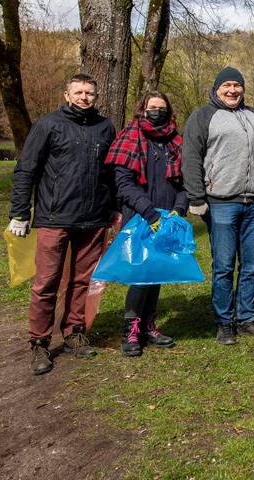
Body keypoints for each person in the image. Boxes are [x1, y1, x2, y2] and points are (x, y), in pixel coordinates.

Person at [8, 73, 117, 375]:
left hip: (94, 219)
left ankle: (73, 332)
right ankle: (40, 342)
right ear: (67, 95)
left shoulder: (105, 127)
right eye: (79, 92)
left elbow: (111, 174)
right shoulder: (48, 125)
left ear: (96, 97)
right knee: (46, 283)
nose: (84, 97)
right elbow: (26, 169)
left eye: (90, 93)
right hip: (55, 217)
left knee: (82, 281)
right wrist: (19, 212)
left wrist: (114, 209)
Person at [183, 67, 254, 345]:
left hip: (253, 204)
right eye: (227, 85)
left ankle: (247, 316)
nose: (232, 90)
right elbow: (190, 158)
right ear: (216, 88)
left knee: (252, 265)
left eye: (237, 85)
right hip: (221, 203)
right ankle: (224, 321)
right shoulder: (202, 117)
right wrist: (196, 197)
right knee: (223, 265)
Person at [104, 91, 187, 357]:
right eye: (153, 107)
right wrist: (149, 212)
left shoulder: (175, 141)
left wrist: (179, 208)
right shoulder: (130, 137)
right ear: (143, 109)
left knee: (157, 273)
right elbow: (124, 184)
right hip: (140, 217)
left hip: (167, 218)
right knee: (141, 275)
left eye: (162, 108)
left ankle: (149, 325)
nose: (157, 112)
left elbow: (185, 183)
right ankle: (131, 329)